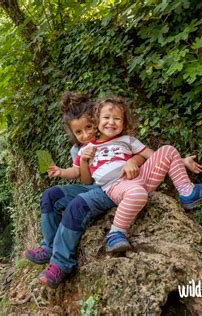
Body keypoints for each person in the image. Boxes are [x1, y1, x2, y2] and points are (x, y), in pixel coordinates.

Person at [23, 92, 145, 289]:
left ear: (97, 120)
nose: (86, 135)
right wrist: (63, 170)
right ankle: (49, 247)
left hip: (111, 187)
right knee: (50, 195)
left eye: (89, 127)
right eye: (79, 132)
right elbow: (85, 179)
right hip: (91, 185)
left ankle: (61, 263)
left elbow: (140, 153)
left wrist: (132, 159)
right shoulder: (79, 149)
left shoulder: (113, 136)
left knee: (76, 205)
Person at [74, 95, 202, 254]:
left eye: (117, 118)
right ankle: (115, 234)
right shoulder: (89, 148)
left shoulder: (128, 140)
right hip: (118, 186)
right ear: (96, 120)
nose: (111, 122)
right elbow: (85, 180)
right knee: (137, 193)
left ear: (124, 122)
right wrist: (74, 166)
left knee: (168, 150)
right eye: (106, 117)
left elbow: (154, 156)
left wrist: (182, 160)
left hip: (143, 177)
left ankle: (187, 192)